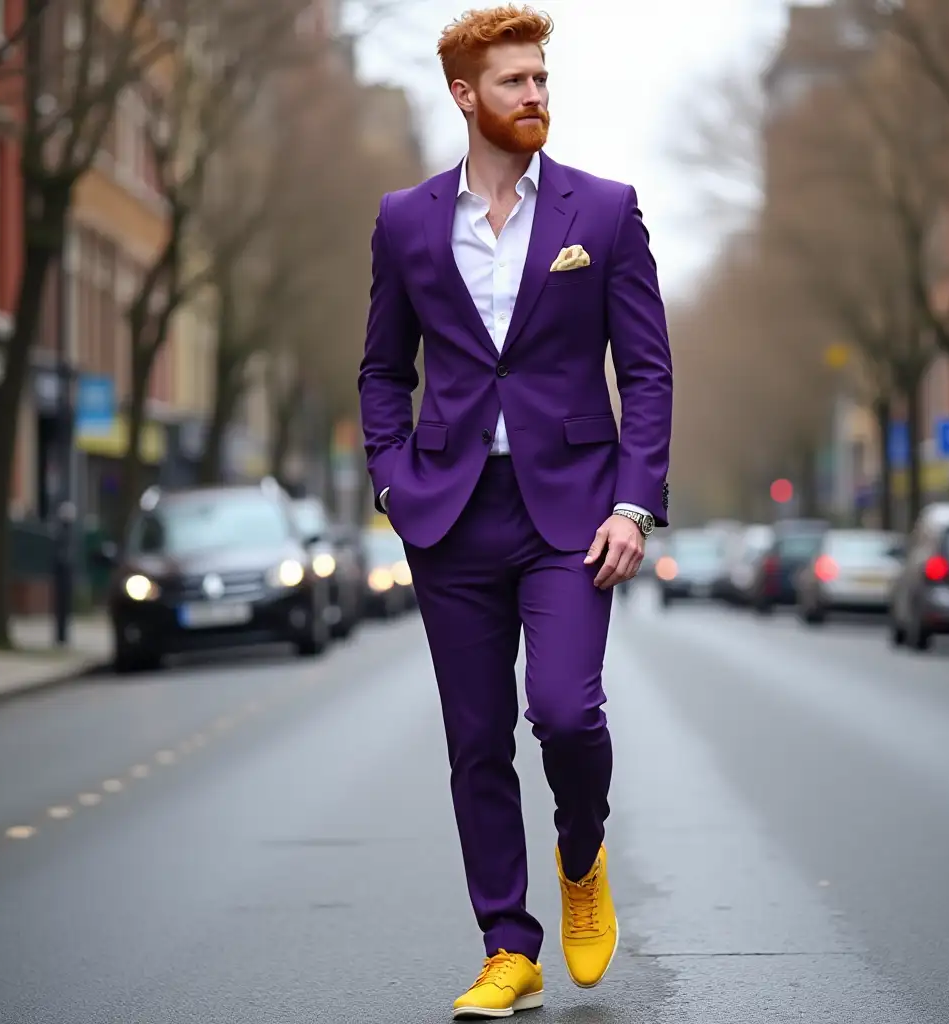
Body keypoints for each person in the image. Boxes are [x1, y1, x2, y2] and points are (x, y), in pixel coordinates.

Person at [357, 5, 673, 1017]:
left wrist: (633, 500)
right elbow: (379, 370)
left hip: (573, 512)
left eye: (540, 78)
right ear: (465, 96)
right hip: (448, 514)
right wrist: (392, 482)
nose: (535, 95)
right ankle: (507, 944)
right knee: (476, 735)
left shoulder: (606, 211)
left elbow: (649, 371)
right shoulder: (406, 220)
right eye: (513, 82)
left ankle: (580, 854)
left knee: (566, 712)